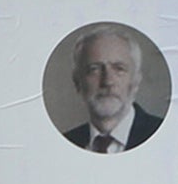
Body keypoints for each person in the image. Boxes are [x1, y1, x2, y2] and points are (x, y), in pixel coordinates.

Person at [61, 25, 164, 153]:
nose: (107, 81)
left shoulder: (165, 135)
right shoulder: (64, 143)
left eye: (119, 69)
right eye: (94, 69)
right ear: (77, 82)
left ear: (136, 81)